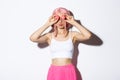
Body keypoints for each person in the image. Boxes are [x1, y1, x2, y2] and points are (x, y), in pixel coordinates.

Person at [30, 7, 91, 80]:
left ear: (66, 20)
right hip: (54, 71)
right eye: (57, 19)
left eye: (63, 18)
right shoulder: (50, 36)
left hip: (69, 71)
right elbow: (33, 38)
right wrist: (47, 24)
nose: (60, 21)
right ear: (53, 20)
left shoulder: (72, 35)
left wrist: (74, 22)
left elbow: (88, 36)